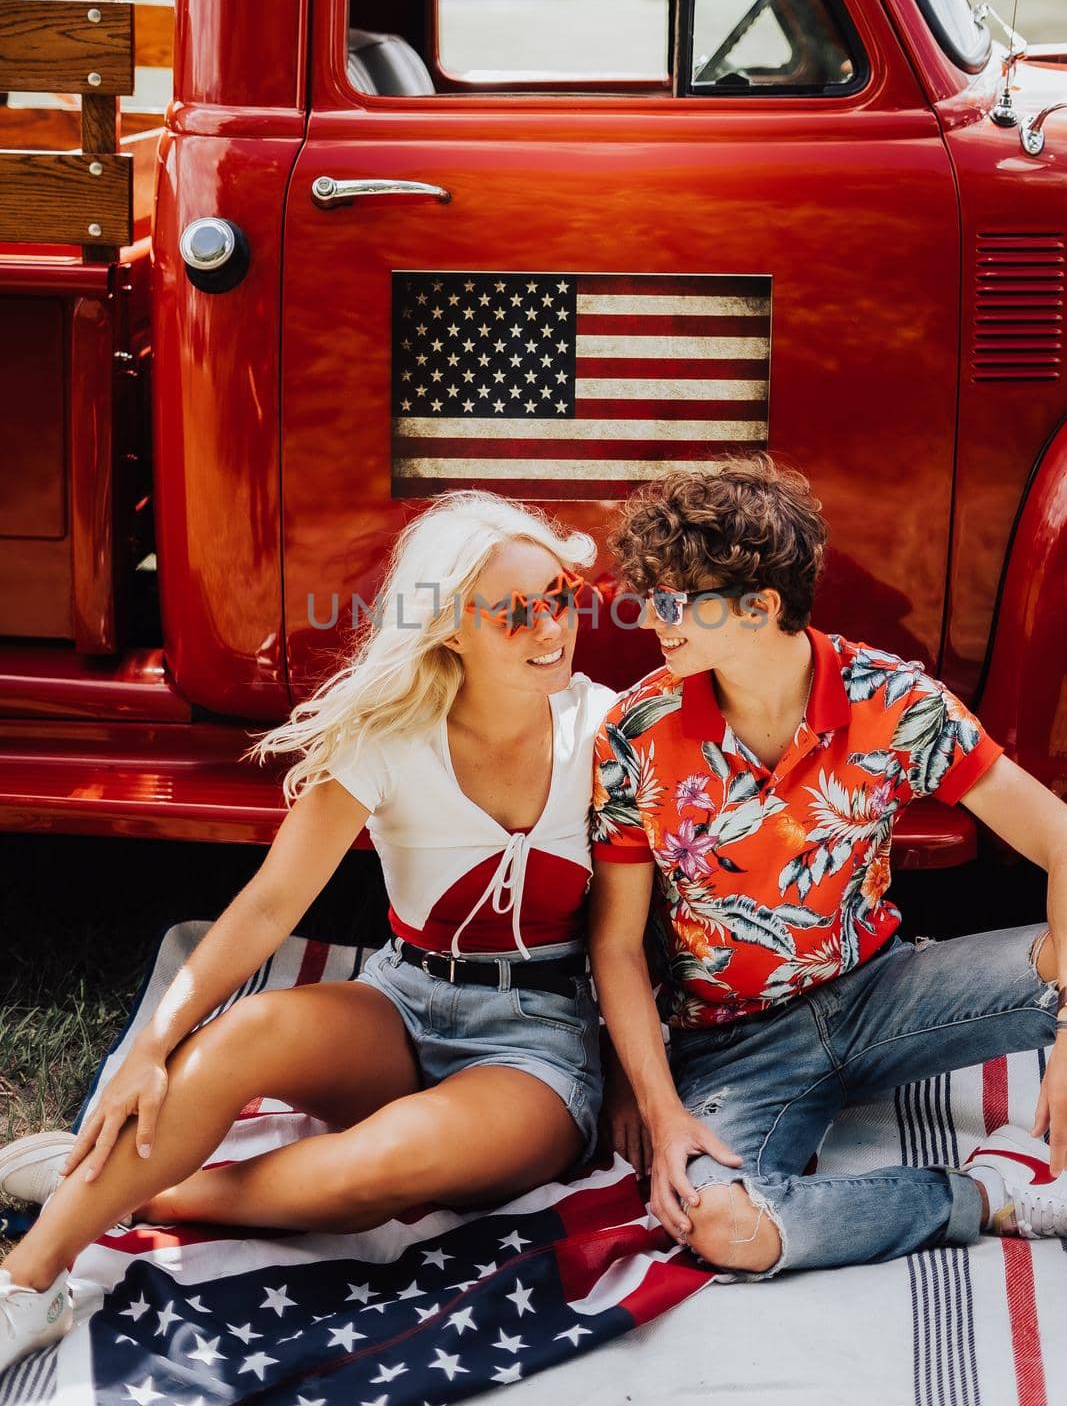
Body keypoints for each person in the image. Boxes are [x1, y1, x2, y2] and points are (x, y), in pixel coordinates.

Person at [0, 491, 617, 1374]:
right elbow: (264, 908)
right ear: (446, 627)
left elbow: (657, 929)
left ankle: (123, 1191)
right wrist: (153, 1046)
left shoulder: (610, 732)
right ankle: (28, 1283)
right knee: (241, 1033)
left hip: (541, 1046)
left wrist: (641, 1087)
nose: (549, 628)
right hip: (406, 1000)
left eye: (558, 597)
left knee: (371, 1171)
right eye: (514, 612)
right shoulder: (388, 739)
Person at [588, 454, 1067, 1282]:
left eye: (675, 600)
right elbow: (618, 947)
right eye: (650, 594)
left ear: (760, 605)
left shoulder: (894, 702)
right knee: (721, 1225)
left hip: (885, 994)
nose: (652, 618)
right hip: (731, 1043)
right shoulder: (636, 731)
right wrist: (662, 1109)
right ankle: (988, 1192)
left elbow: (1058, 838)